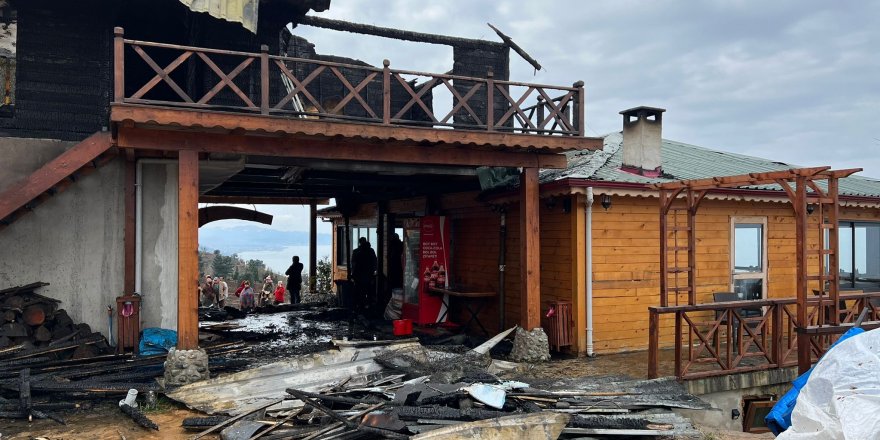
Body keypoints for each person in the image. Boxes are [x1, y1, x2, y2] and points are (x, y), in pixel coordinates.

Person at [351, 237, 377, 312]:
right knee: (368, 290)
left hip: (359, 274)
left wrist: (353, 274)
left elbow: (354, 264)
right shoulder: (371, 251)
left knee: (359, 290)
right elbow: (375, 262)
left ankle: (359, 305)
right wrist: (374, 271)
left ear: (359, 242)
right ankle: (368, 305)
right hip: (368, 274)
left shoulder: (356, 251)